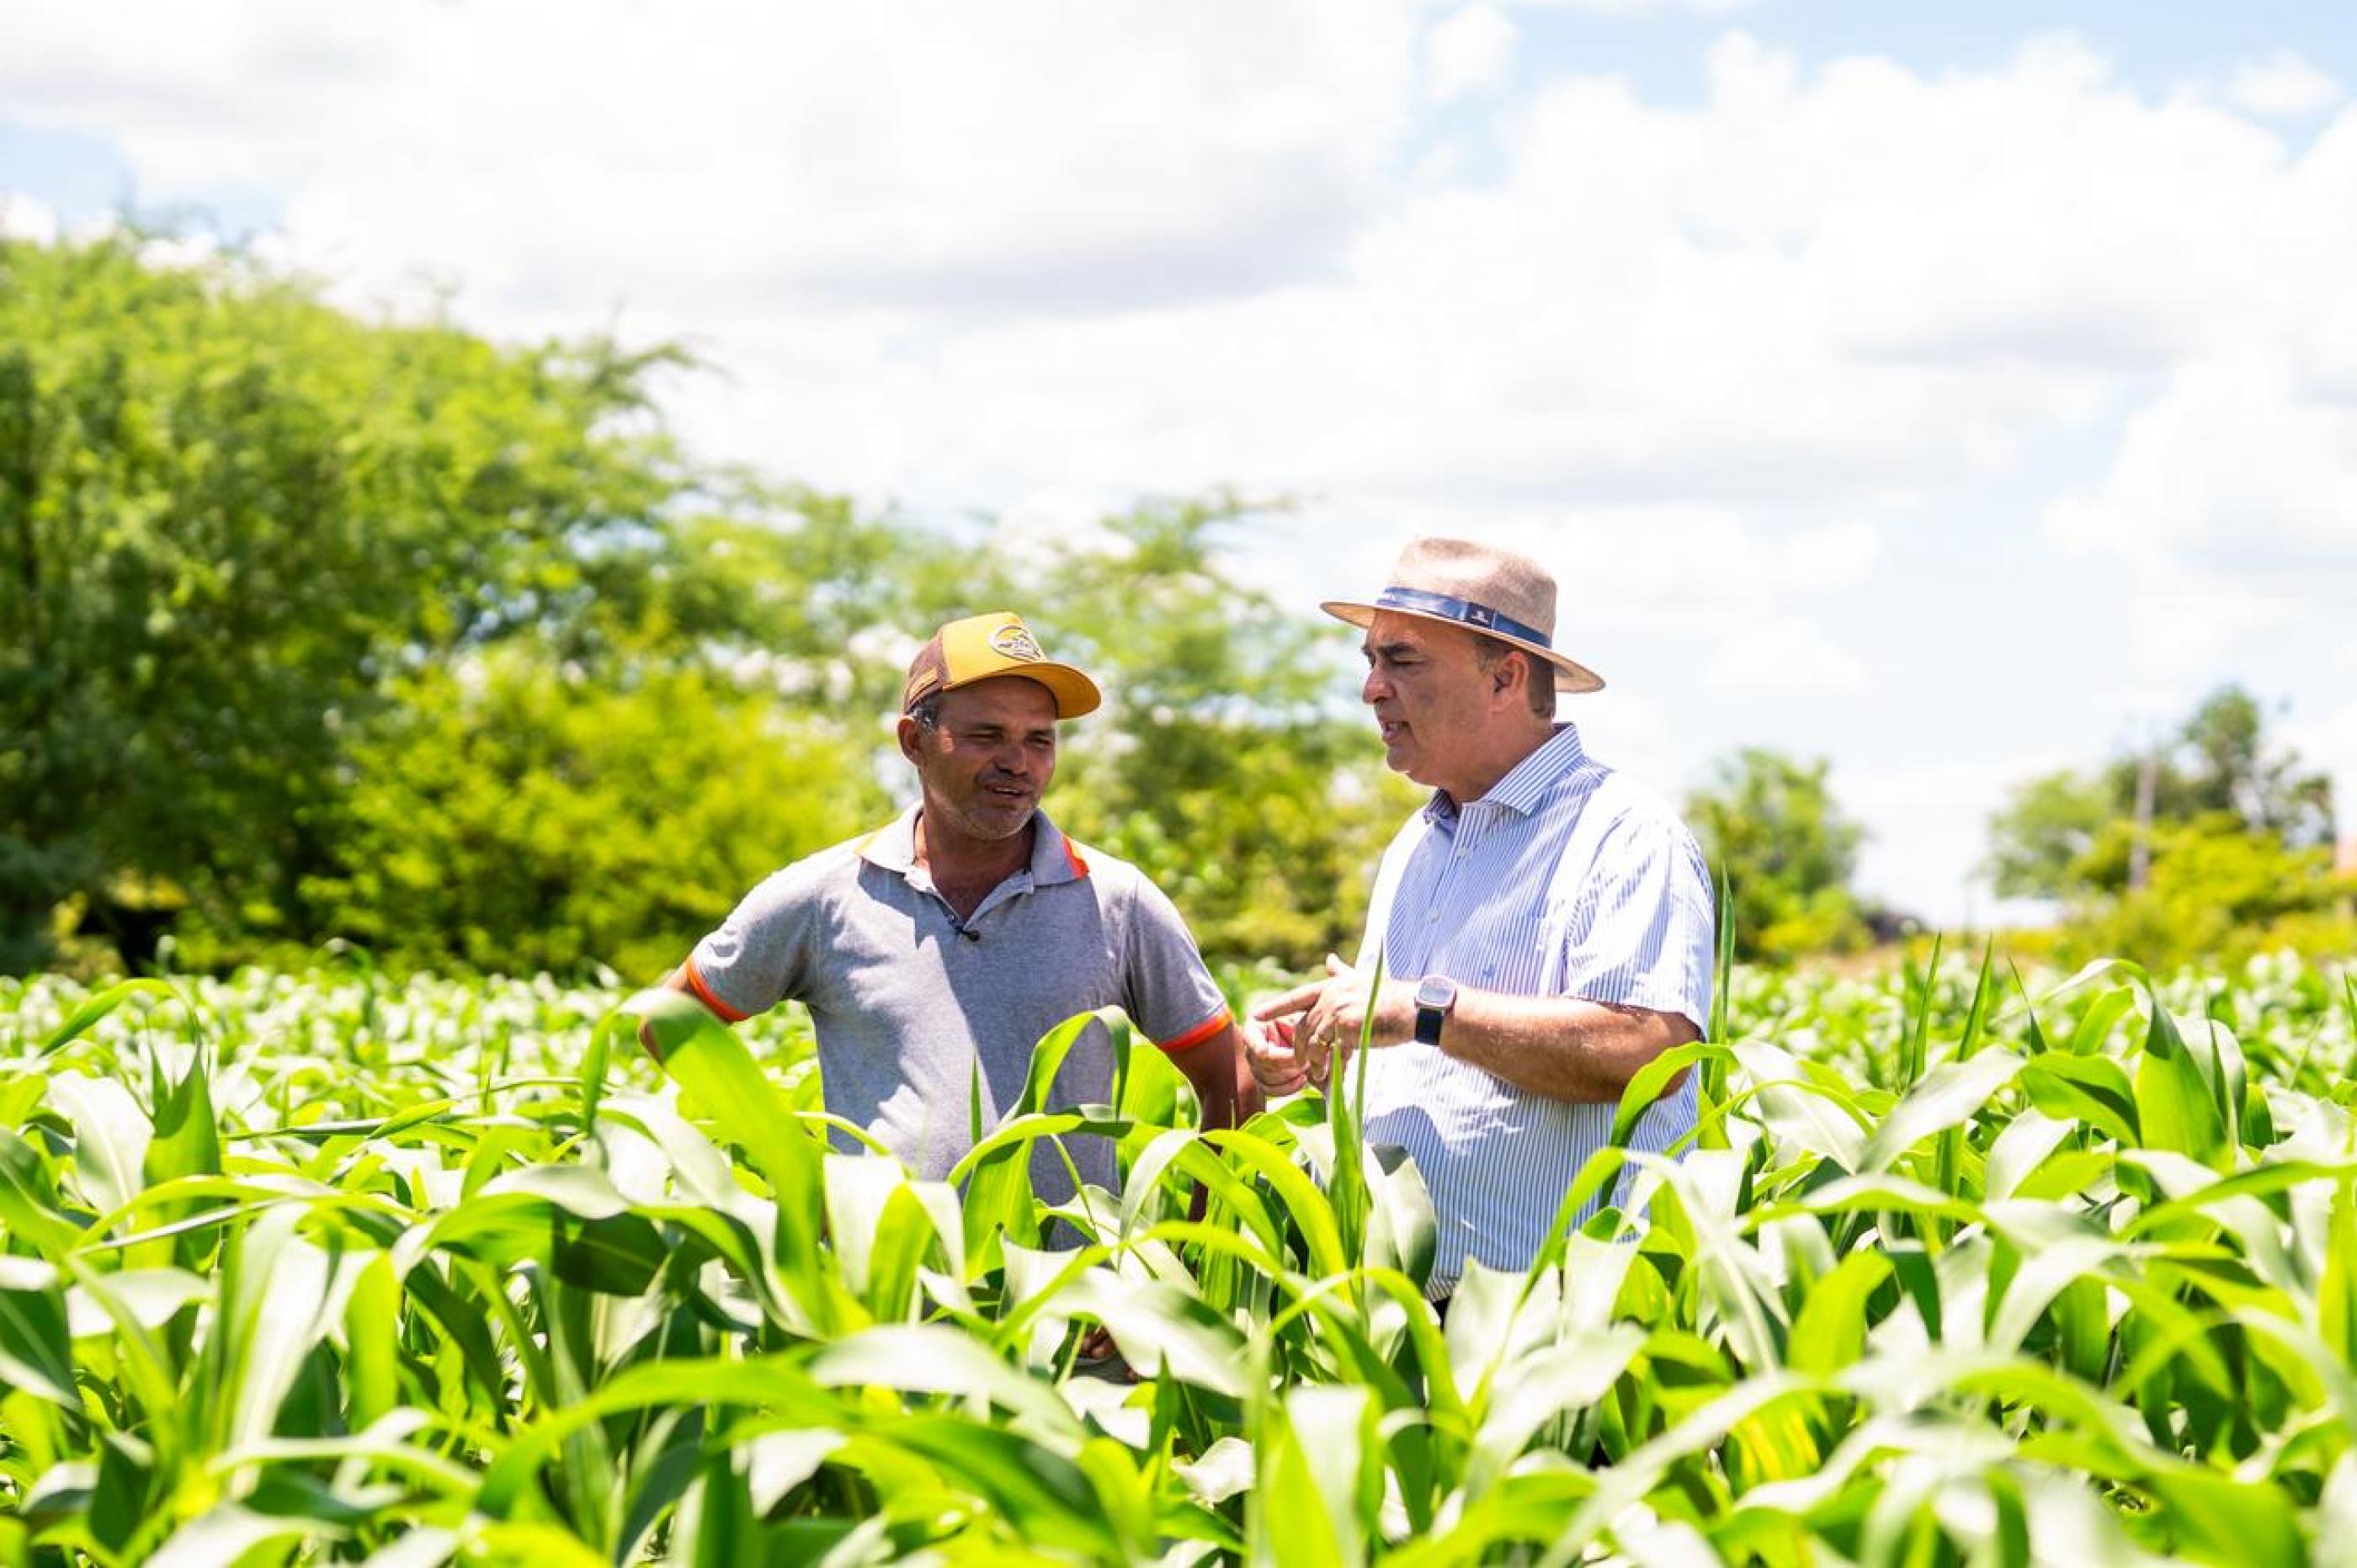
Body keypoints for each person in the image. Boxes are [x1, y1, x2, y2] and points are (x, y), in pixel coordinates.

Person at [649, 609, 1254, 1208]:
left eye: (1039, 739)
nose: (1018, 761)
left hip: (1067, 1296)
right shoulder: (822, 895)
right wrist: (782, 1160)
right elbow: (667, 1025)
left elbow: (1233, 1082)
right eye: (986, 735)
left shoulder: (1116, 901)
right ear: (914, 741)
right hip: (880, 1297)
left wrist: (1197, 1258)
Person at [1246, 537, 1715, 1297]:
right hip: (1399, 1308)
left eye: (1402, 661)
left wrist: (1422, 1009)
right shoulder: (1417, 844)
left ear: (1504, 677)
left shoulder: (1625, 832)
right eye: (1370, 661)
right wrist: (1316, 1056)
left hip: (1554, 1317)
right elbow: (1409, 1049)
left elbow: (1649, 1051)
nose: (1371, 689)